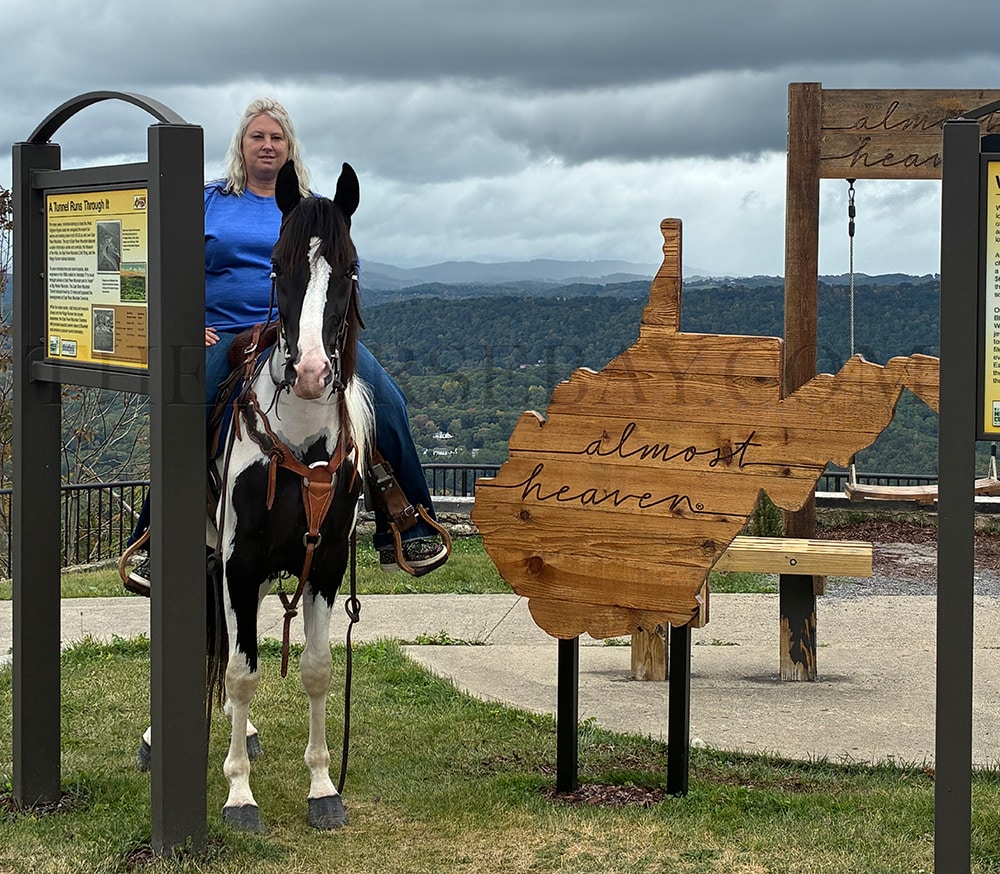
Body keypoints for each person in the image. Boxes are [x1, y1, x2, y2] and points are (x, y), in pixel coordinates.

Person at [125, 97, 448, 587]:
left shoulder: (313, 209)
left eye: (276, 137)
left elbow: (341, 271)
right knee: (185, 409)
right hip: (224, 332)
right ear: (241, 145)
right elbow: (165, 264)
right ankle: (157, 536)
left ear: (289, 146)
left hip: (302, 333)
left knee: (388, 402)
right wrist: (182, 321)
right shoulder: (209, 201)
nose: (267, 145)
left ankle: (407, 524)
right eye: (257, 136)